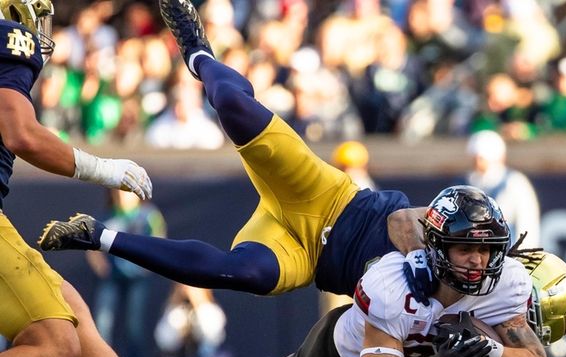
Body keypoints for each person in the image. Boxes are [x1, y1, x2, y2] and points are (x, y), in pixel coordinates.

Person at [38, 0, 434, 306]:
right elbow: (403, 219)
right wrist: (420, 257)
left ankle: (99, 235)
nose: (471, 264)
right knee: (231, 104)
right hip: (329, 199)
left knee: (245, 272)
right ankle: (198, 53)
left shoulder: (459, 312)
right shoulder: (459, 245)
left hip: (310, 256)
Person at [143, 186, 550, 357]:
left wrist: (486, 350)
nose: (478, 262)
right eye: (466, 248)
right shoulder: (396, 283)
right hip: (342, 356)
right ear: (437, 246)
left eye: (487, 249)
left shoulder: (505, 284)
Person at [0, 1, 225, 357]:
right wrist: (102, 168)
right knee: (56, 343)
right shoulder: (11, 39)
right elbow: (21, 134)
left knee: (70, 308)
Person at [88, 189, 167, 357]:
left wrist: (148, 265)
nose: (121, 196)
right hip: (111, 277)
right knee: (103, 321)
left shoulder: (149, 215)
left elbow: (160, 240)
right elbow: (91, 243)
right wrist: (99, 264)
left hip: (137, 277)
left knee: (134, 323)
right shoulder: (106, 216)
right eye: (118, 192)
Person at [464, 130, 540, 248]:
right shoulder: (469, 182)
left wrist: (522, 257)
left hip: (508, 254)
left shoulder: (515, 182)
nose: (477, 162)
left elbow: (527, 223)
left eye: (481, 158)